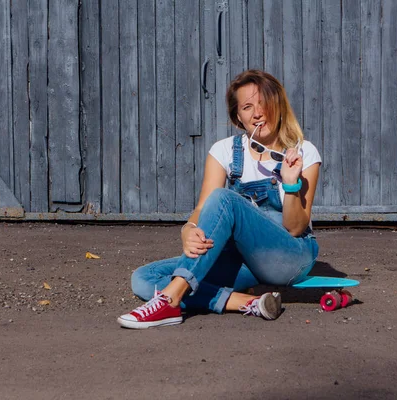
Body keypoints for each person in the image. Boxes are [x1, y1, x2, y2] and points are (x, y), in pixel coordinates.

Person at [117, 69, 322, 329]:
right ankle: (247, 302)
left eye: (263, 103)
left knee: (225, 198)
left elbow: (295, 227)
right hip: (244, 260)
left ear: (277, 104)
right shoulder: (223, 150)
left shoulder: (304, 151)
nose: (257, 113)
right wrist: (188, 230)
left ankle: (171, 300)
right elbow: (203, 207)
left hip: (290, 257)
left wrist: (291, 183)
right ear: (239, 116)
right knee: (144, 277)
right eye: (247, 107)